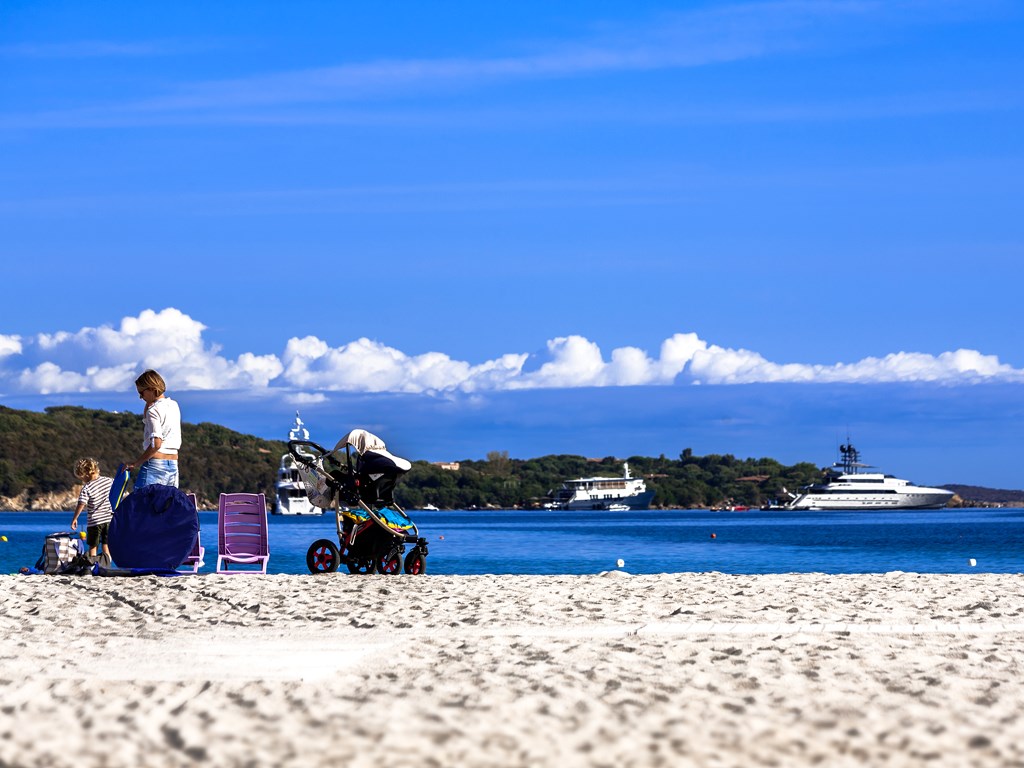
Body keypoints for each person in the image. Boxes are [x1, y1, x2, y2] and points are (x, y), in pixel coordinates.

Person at [127, 369, 182, 488]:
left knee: (141, 503)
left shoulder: (153, 411)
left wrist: (136, 463)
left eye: (142, 392)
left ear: (151, 389)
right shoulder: (174, 405)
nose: (141, 397)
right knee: (165, 504)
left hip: (155, 465)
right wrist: (149, 403)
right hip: (173, 464)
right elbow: (148, 418)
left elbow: (156, 444)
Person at [70, 458, 113, 564]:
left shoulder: (87, 488)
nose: (82, 480)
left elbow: (81, 504)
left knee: (93, 546)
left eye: (81, 477)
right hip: (109, 519)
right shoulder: (109, 481)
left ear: (86, 474)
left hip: (95, 521)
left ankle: (93, 565)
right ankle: (107, 565)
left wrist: (75, 518)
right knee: (106, 545)